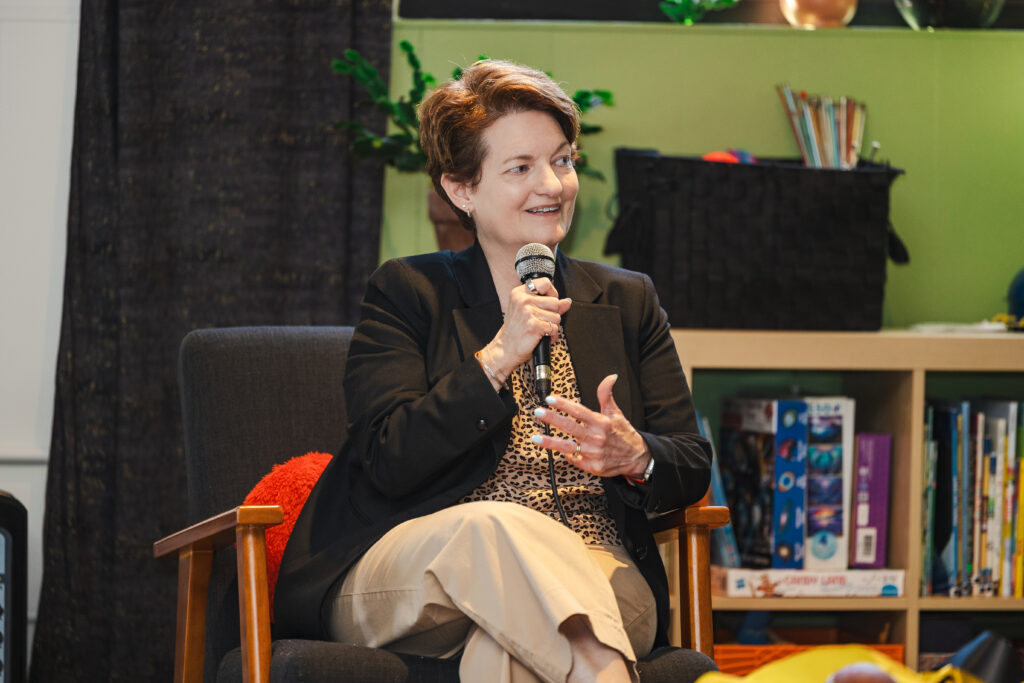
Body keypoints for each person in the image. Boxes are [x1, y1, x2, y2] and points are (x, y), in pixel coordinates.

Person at [275, 59, 714, 683]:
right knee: (499, 529)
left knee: (511, 645)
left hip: (597, 565)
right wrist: (497, 358)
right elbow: (389, 457)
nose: (552, 185)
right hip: (423, 563)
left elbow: (690, 462)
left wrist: (635, 454)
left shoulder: (627, 300)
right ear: (461, 190)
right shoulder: (409, 292)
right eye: (520, 168)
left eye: (562, 161)